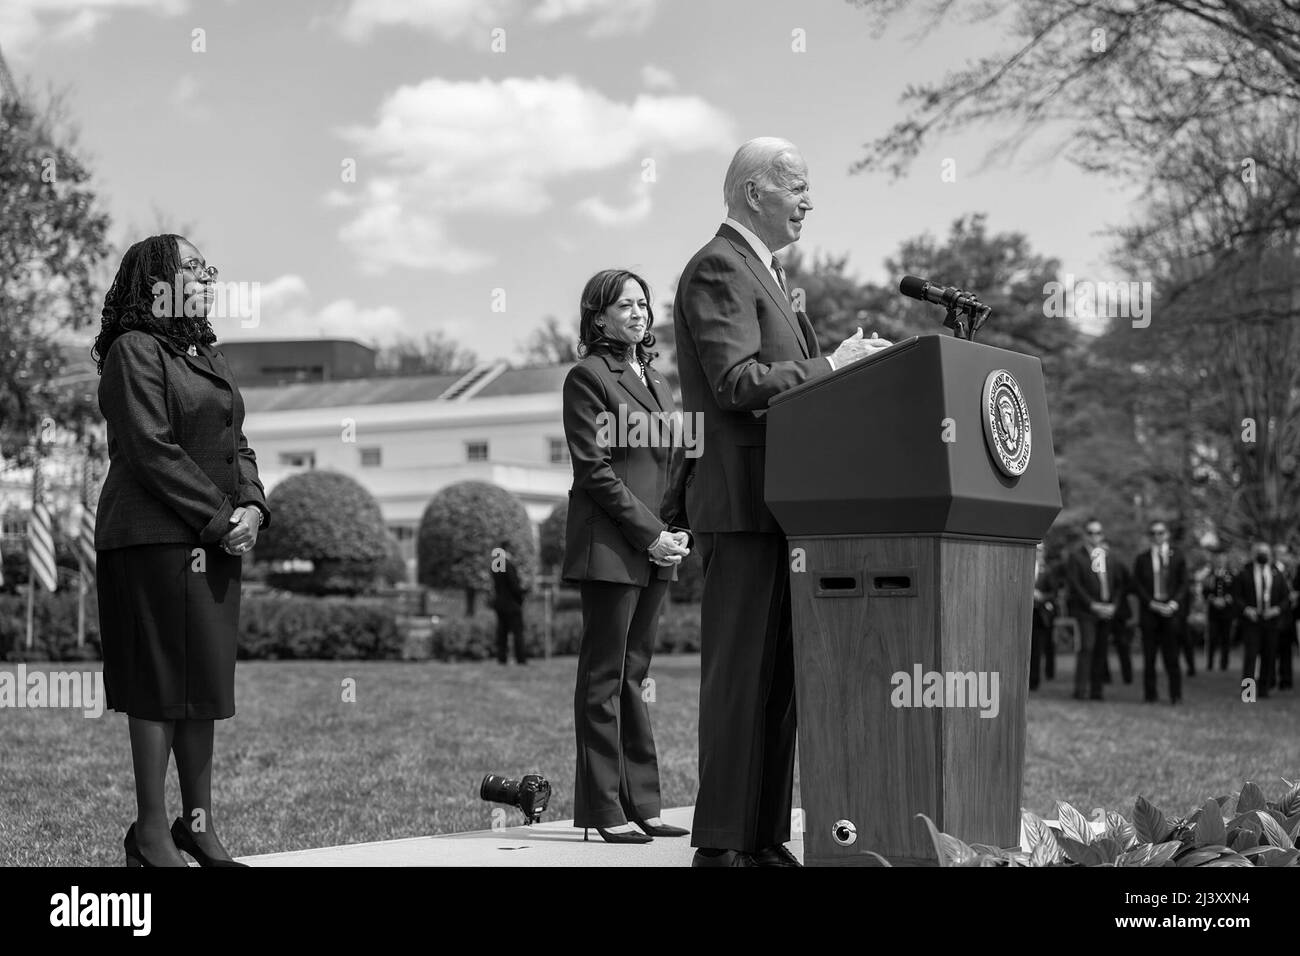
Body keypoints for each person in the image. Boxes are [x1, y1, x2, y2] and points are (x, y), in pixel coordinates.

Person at [673, 137, 890, 867]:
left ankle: (763, 837)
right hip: (742, 505)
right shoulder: (717, 267)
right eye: (795, 186)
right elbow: (736, 382)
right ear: (751, 192)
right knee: (740, 679)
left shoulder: (768, 274)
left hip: (789, 507)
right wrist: (831, 365)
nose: (808, 200)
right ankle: (721, 845)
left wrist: (843, 374)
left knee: (779, 686)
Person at [92, 234, 269, 867]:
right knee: (160, 686)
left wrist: (252, 506)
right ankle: (149, 834)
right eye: (190, 266)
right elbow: (151, 449)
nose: (204, 274)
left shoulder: (208, 355)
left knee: (203, 688)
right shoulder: (133, 351)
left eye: (205, 266)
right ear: (156, 279)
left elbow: (237, 444)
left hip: (215, 539)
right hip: (152, 542)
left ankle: (198, 828)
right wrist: (222, 519)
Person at [562, 268, 692, 845]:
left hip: (657, 545)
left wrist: (677, 529)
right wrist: (648, 533)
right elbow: (595, 470)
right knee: (604, 677)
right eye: (626, 305)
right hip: (613, 547)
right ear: (598, 317)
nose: (640, 313)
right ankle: (603, 807)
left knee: (635, 676)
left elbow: (677, 463)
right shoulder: (587, 377)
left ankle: (644, 801)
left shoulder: (661, 383)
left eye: (644, 304)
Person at [1131, 519, 1189, 704]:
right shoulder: (1142, 559)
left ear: (1167, 534)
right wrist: (1151, 603)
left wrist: (1174, 603)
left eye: (1161, 532)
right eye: (1153, 533)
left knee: (1172, 656)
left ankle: (1176, 694)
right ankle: (1150, 695)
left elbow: (1184, 583)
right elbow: (1137, 585)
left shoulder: (1178, 556)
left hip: (1171, 612)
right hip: (1150, 611)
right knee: (1149, 657)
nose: (1157, 536)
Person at [1065, 518, 1120, 700]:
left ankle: (1097, 691)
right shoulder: (1077, 556)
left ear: (1102, 535)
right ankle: (1080, 691)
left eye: (1098, 533)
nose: (1094, 536)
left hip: (1107, 610)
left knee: (1101, 651)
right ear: (1084, 535)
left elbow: (1118, 584)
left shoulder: (1109, 557)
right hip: (1087, 611)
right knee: (1087, 648)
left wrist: (1113, 605)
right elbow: (1075, 585)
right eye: (1090, 532)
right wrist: (1092, 604)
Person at [1234, 540, 1287, 699]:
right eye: (1260, 552)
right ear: (1253, 554)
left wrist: (1276, 609)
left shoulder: (1276, 573)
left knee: (1269, 656)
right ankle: (1248, 693)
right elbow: (1237, 596)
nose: (1263, 555)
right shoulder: (1244, 573)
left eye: (1266, 552)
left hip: (1271, 621)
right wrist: (1246, 609)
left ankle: (1264, 690)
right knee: (1251, 657)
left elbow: (1285, 597)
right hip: (1252, 621)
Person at [490, 541, 528, 665]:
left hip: (500, 604)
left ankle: (502, 658)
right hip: (512, 605)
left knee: (502, 632)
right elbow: (514, 586)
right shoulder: (508, 565)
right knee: (518, 633)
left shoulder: (496, 565)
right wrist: (523, 593)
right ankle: (520, 658)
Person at [1201, 549, 1235, 671]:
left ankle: (1224, 665)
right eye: (1218, 560)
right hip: (1213, 612)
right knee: (1212, 638)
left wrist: (1226, 599)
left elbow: (1235, 591)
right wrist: (1213, 600)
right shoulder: (1210, 575)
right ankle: (1210, 664)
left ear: (1225, 561)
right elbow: (1205, 591)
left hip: (1227, 613)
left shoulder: (1231, 575)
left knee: (1226, 639)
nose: (1220, 562)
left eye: (1222, 559)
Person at [1029, 541, 1056, 690]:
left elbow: (1054, 593)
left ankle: (1034, 681)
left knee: (1038, 648)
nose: (1037, 552)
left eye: (1039, 550)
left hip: (1041, 615)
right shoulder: (1024, 567)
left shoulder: (1048, 570)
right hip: (1026, 613)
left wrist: (1042, 596)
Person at [1272, 542, 1295, 690]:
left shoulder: (1292, 571)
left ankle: (1286, 681)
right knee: (1272, 650)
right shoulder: (1271, 570)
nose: (1284, 556)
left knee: (1287, 651)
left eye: (1285, 553)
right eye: (1281, 553)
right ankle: (1270, 679)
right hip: (1276, 615)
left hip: (1290, 617)